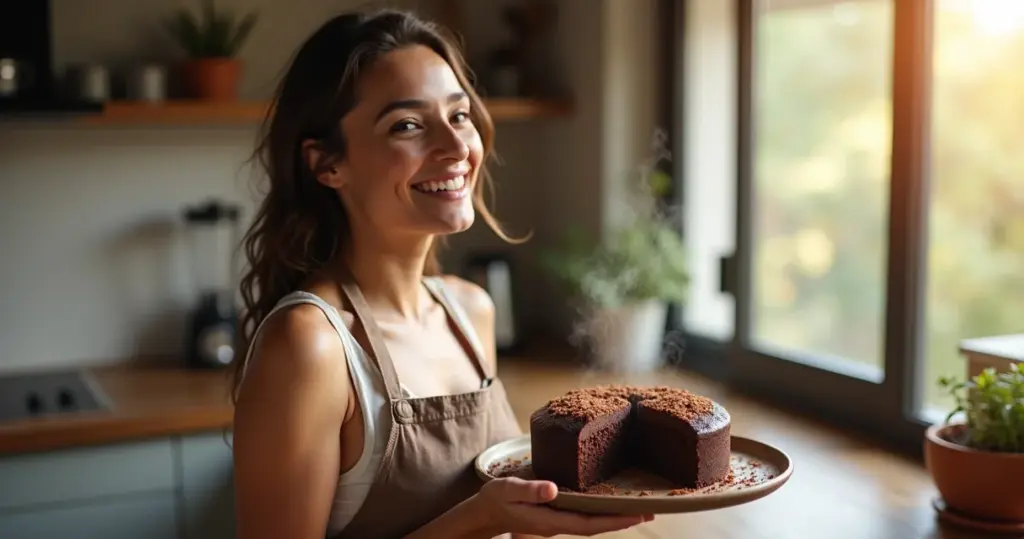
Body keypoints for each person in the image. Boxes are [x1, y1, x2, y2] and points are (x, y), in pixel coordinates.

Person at [229, 9, 654, 539]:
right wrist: (484, 517)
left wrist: (543, 512)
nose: (456, 149)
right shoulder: (310, 345)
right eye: (407, 125)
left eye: (459, 115)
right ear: (326, 164)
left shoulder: (471, 310)